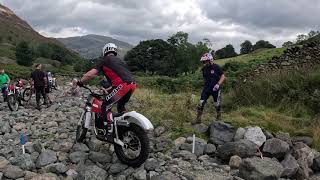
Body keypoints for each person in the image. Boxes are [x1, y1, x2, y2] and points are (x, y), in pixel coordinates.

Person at [77, 43, 136, 135]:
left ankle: (109, 129)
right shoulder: (120, 61)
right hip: (132, 85)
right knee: (120, 106)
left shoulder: (105, 60)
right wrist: (109, 90)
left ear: (105, 51)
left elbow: (90, 74)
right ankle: (125, 128)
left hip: (123, 85)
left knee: (105, 106)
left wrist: (80, 82)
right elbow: (120, 78)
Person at [192, 52, 226, 124]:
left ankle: (219, 117)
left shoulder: (216, 67)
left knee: (217, 104)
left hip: (216, 89)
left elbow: (223, 76)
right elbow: (205, 78)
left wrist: (218, 84)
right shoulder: (204, 69)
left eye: (206, 61)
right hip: (206, 89)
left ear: (210, 60)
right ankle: (198, 119)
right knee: (201, 103)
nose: (204, 63)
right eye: (203, 61)